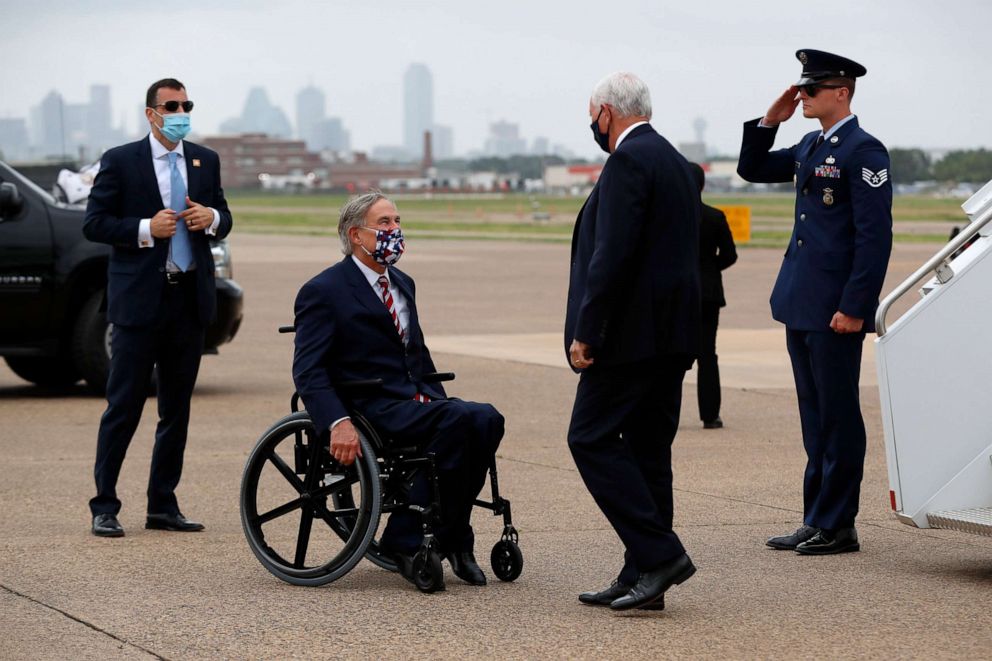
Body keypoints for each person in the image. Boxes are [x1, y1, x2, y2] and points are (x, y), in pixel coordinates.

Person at [292, 191, 504, 589]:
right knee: (458, 421)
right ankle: (407, 539)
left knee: (486, 419)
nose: (395, 230)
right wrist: (337, 422)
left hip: (413, 399)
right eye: (385, 223)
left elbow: (417, 356)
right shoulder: (324, 290)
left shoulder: (403, 283)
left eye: (397, 221)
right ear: (357, 235)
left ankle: (454, 536)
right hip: (369, 405)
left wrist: (435, 398)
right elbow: (308, 370)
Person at [737, 50, 892, 555]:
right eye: (801, 88)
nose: (802, 95)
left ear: (841, 92)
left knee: (838, 415)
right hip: (802, 301)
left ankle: (839, 524)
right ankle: (816, 517)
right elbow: (753, 168)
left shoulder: (864, 152)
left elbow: (874, 239)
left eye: (812, 89)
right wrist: (769, 120)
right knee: (814, 414)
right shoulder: (809, 144)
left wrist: (855, 306)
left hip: (835, 310)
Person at [566, 72, 700, 612]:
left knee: (589, 437)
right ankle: (642, 572)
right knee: (648, 453)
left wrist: (588, 331)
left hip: (629, 338)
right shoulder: (671, 158)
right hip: (671, 336)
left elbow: (613, 256)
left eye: (591, 115)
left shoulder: (627, 160)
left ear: (605, 113)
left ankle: (660, 554)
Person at [85, 78, 233, 537]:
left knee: (176, 409)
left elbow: (224, 217)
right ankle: (105, 505)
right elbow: (95, 223)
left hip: (188, 301)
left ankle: (162, 505)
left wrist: (212, 220)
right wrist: (148, 226)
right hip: (139, 302)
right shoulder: (121, 160)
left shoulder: (204, 160)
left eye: (186, 104)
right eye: (172, 105)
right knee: (124, 405)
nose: (181, 111)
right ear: (151, 113)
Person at [689, 162, 738, 429]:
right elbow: (730, 255)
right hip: (708, 293)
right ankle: (710, 414)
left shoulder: (671, 217)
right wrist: (709, 270)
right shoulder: (715, 217)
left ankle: (664, 413)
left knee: (671, 353)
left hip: (678, 295)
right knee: (708, 354)